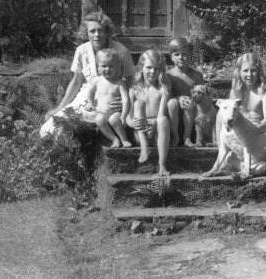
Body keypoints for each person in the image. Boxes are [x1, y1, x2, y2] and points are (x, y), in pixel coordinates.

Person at [39, 11, 136, 144]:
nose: (97, 35)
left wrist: (126, 103)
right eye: (92, 31)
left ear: (107, 31)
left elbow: (131, 80)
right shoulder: (81, 50)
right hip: (86, 98)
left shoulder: (121, 51)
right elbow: (76, 81)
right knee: (47, 131)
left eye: (100, 30)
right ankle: (66, 152)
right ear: (87, 33)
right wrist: (59, 108)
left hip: (111, 99)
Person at [218, 52, 266, 149]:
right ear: (239, 72)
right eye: (245, 70)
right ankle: (221, 149)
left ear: (259, 72)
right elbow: (229, 115)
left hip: (260, 131)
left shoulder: (264, 92)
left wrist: (256, 130)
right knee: (220, 114)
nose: (249, 74)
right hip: (241, 133)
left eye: (253, 70)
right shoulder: (235, 92)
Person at [126, 49, 172, 176]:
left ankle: (162, 164)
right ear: (141, 67)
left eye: (157, 68)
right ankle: (144, 147)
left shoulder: (163, 90)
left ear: (161, 70)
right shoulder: (134, 90)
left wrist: (154, 125)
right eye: (149, 67)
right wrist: (132, 124)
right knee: (139, 104)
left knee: (163, 120)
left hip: (158, 133)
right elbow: (128, 117)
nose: (153, 71)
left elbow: (161, 114)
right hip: (140, 133)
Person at [86, 48, 132, 148]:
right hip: (101, 112)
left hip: (115, 112)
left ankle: (124, 139)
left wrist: (124, 115)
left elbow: (125, 99)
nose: (107, 69)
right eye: (104, 66)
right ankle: (114, 139)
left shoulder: (120, 83)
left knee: (114, 119)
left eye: (111, 66)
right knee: (99, 120)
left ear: (118, 67)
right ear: (98, 67)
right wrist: (91, 103)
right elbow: (90, 92)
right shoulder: (97, 81)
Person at [166, 37, 205, 148]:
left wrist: (191, 99)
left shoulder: (197, 75)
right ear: (171, 57)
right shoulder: (168, 75)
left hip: (191, 112)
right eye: (177, 54)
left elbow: (202, 96)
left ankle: (187, 137)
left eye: (184, 54)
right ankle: (175, 136)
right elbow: (166, 96)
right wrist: (179, 98)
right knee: (172, 103)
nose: (181, 57)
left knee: (190, 103)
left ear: (190, 55)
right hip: (173, 112)